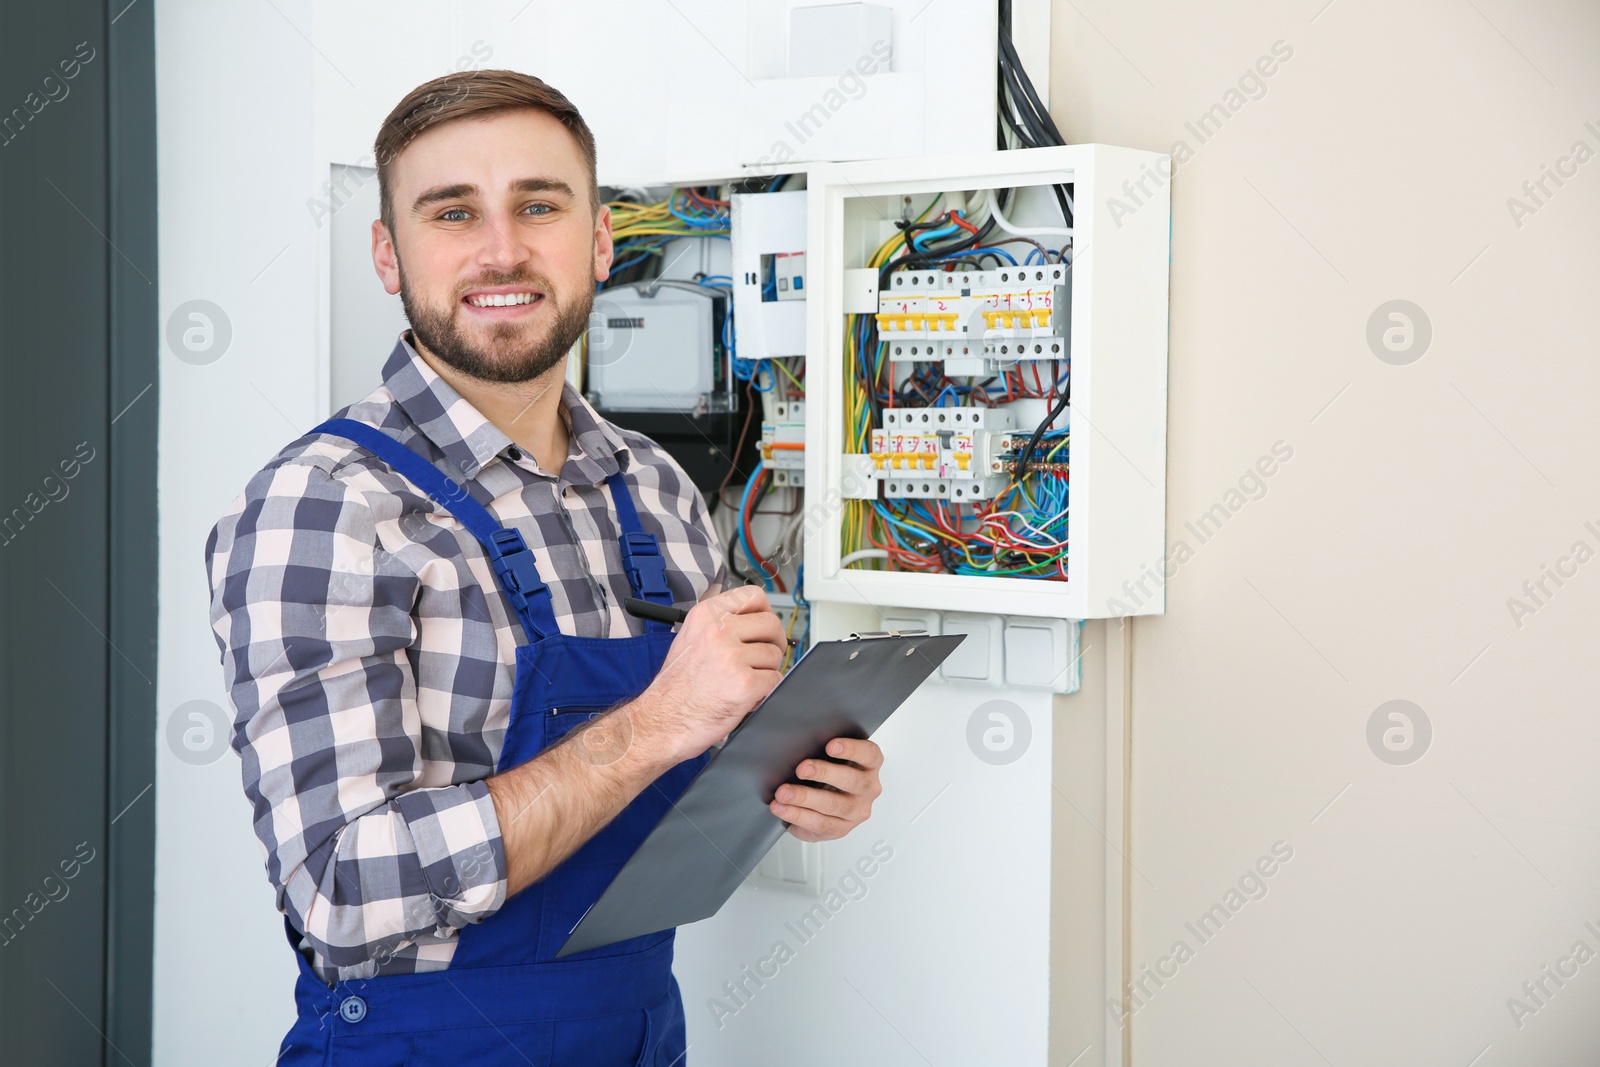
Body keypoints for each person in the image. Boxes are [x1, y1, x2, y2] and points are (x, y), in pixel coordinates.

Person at [205, 69, 884, 1066]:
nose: (502, 249)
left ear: (599, 240)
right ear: (389, 255)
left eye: (538, 204)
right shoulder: (326, 505)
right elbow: (345, 895)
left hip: (640, 1027)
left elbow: (678, 790)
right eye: (453, 212)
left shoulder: (652, 487)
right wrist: (651, 723)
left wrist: (795, 781)